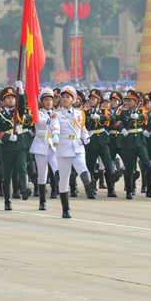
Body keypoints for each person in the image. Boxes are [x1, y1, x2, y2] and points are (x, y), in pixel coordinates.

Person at [55, 86, 96, 218]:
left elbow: (81, 127)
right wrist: (55, 135)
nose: (65, 99)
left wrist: (85, 136)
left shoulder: (79, 113)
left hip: (77, 146)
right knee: (64, 179)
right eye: (64, 97)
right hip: (63, 147)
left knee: (82, 167)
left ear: (73, 99)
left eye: (68, 97)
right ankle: (65, 209)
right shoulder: (56, 114)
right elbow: (55, 126)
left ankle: (89, 186)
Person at [0, 83, 33, 210]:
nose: (11, 100)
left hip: (20, 146)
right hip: (6, 148)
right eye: (8, 98)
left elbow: (22, 105)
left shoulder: (18, 113)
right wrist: (7, 137)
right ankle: (7, 200)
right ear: (3, 101)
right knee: (7, 175)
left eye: (13, 97)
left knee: (22, 167)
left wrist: (21, 92)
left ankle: (25, 188)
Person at [29, 88, 59, 211]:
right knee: (42, 175)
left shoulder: (56, 113)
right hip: (41, 145)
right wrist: (52, 120)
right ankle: (42, 201)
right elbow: (37, 120)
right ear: (42, 101)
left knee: (57, 168)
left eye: (51, 100)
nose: (49, 102)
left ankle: (58, 190)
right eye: (46, 100)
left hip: (53, 145)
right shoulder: (38, 113)